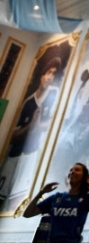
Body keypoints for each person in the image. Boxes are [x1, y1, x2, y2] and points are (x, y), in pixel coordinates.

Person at [0, 57, 62, 210]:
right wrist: (30, 126)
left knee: (18, 203)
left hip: (32, 154)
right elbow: (13, 134)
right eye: (49, 72)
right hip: (14, 155)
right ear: (42, 75)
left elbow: (56, 121)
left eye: (54, 74)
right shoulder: (28, 101)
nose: (50, 77)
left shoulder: (55, 95)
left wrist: (39, 125)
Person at [23, 163, 89, 243]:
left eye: (77, 170)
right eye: (71, 170)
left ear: (85, 177)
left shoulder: (86, 199)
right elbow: (27, 213)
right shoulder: (56, 197)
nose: (72, 172)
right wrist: (41, 193)